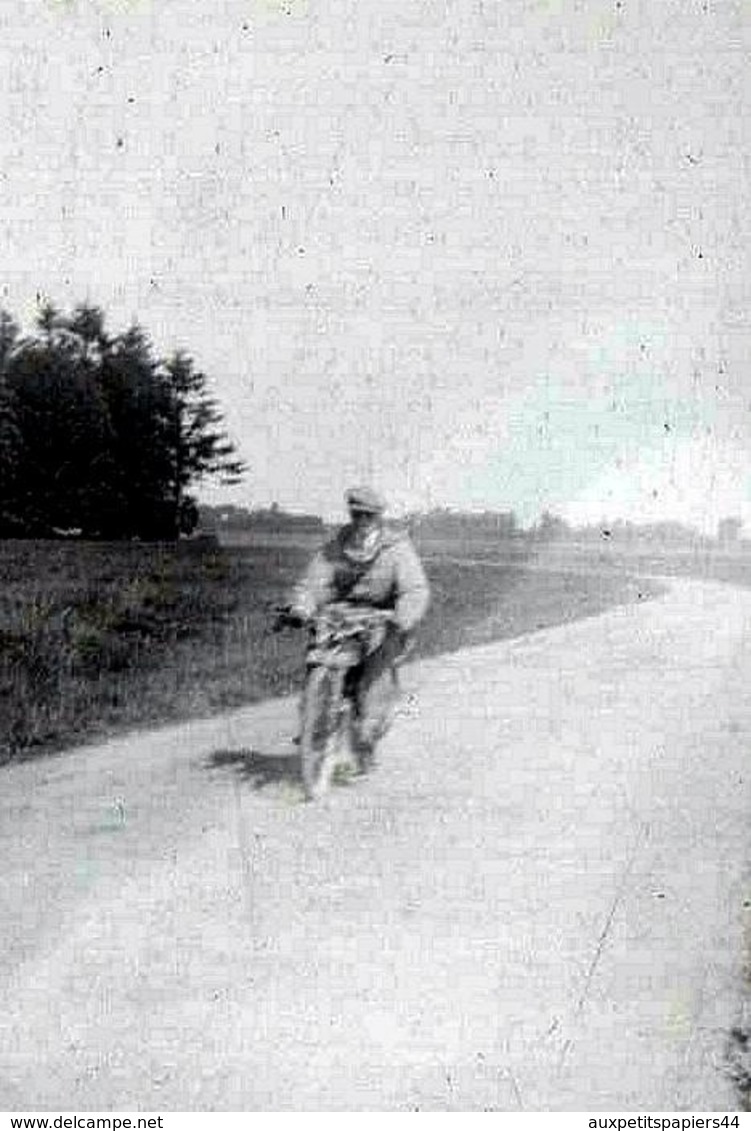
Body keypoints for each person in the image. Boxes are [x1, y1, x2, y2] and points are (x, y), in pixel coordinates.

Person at [286, 486, 430, 765]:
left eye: (368, 516)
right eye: (357, 515)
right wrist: (302, 606)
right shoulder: (336, 547)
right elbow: (313, 582)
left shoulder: (396, 548)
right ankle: (313, 720)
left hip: (385, 623)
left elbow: (415, 588)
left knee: (374, 678)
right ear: (351, 515)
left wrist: (402, 616)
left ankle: (367, 735)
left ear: (379, 517)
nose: (362, 522)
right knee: (316, 655)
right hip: (342, 618)